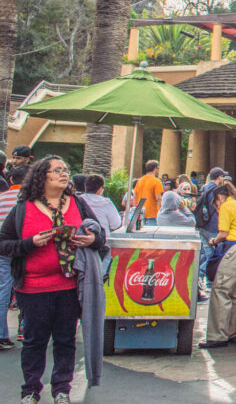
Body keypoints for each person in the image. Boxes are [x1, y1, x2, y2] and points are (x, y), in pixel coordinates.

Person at [0, 155, 107, 404]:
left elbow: (101, 237)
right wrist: (29, 243)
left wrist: (92, 240)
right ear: (42, 176)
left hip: (70, 285)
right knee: (34, 341)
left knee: (65, 340)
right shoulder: (23, 208)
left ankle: (61, 389)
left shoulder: (78, 204)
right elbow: (3, 244)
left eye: (65, 169)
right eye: (57, 170)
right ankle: (30, 391)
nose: (64, 173)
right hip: (33, 287)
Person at [199, 182, 236, 349]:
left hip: (233, 249)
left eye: (216, 201)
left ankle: (218, 335)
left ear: (220, 197)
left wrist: (213, 240)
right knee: (234, 294)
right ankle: (231, 331)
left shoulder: (227, 206)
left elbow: (223, 233)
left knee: (220, 291)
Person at [0, 165, 27, 351]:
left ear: (11, 180)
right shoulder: (27, 202)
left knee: (2, 291)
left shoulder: (1, 198)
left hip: (2, 250)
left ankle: (2, 335)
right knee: (27, 289)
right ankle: (24, 329)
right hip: (23, 250)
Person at [196, 167, 228, 287]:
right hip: (213, 226)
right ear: (219, 177)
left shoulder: (204, 188)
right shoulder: (217, 191)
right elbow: (221, 208)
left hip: (202, 225)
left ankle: (208, 281)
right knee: (215, 256)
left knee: (209, 254)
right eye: (222, 176)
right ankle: (199, 275)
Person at [133, 160, 163, 225]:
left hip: (140, 213)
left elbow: (135, 196)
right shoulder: (156, 181)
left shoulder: (139, 181)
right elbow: (158, 198)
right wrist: (161, 212)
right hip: (153, 214)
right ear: (155, 168)